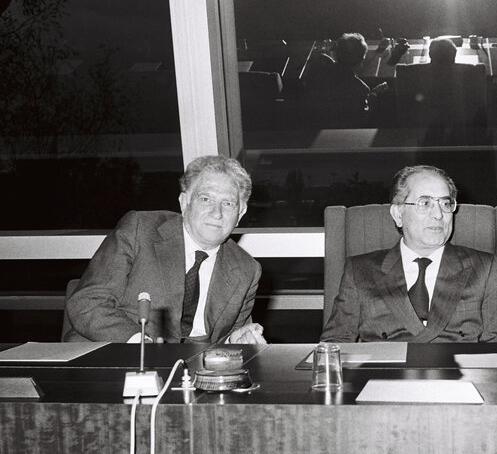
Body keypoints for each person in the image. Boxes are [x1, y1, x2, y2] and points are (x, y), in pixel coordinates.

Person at [64, 155, 266, 344]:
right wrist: (139, 342)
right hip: (117, 356)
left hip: (195, 371)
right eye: (206, 199)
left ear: (240, 214)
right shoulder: (139, 229)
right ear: (184, 202)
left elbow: (228, 337)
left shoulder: (247, 269)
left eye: (228, 203)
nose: (217, 213)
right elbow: (87, 302)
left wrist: (235, 341)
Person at [321, 165, 497, 343]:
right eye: (425, 203)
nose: (438, 215)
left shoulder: (484, 269)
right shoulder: (360, 271)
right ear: (398, 214)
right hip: (385, 378)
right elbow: (333, 346)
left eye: (446, 204)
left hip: (459, 377)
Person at [302, 32, 385, 114]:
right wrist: (374, 94)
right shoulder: (361, 89)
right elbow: (362, 117)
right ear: (361, 62)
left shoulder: (317, 71)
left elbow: (321, 58)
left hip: (313, 120)